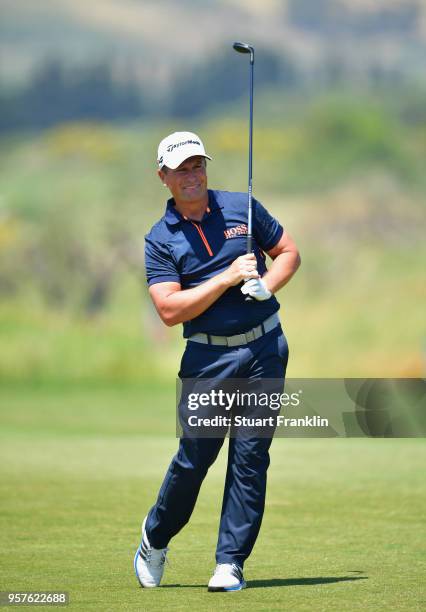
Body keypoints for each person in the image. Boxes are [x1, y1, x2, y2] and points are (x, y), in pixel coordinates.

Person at [134, 131, 300, 592]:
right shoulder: (160, 239)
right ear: (163, 177)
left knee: (251, 458)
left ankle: (230, 562)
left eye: (198, 165)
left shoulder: (242, 207)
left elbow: (288, 252)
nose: (193, 176)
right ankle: (157, 535)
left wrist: (270, 286)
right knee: (194, 460)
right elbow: (169, 311)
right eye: (182, 169)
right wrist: (227, 278)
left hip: (266, 350)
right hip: (209, 360)